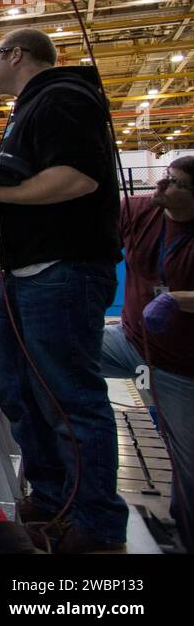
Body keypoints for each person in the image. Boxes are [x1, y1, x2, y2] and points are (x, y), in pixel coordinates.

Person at [0, 28, 127, 553]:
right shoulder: (30, 108)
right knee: (14, 386)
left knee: (70, 397)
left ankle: (97, 524)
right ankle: (53, 496)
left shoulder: (62, 98)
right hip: (26, 274)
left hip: (62, 271)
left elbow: (77, 179)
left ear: (15, 54)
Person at [112, 158, 194, 550]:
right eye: (164, 178)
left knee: (188, 464)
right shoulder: (144, 211)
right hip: (128, 339)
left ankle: (185, 537)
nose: (161, 186)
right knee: (53, 359)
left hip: (179, 365)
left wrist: (177, 300)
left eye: (174, 183)